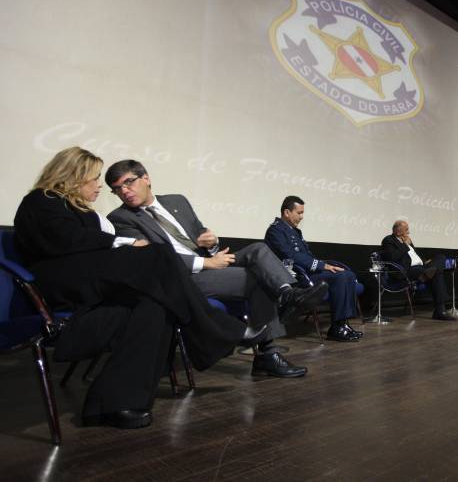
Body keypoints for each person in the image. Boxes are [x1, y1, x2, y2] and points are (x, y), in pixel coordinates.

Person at [13, 147, 258, 429]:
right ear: (73, 177)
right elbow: (66, 241)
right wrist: (127, 244)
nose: (99, 188)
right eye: (94, 180)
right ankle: (217, 330)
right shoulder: (41, 201)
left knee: (155, 305)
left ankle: (112, 403)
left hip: (93, 279)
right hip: (62, 281)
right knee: (159, 255)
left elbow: (91, 242)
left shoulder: (82, 210)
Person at [104, 160, 326, 378]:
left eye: (128, 182)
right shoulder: (121, 218)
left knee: (258, 249)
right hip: (180, 279)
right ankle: (268, 353)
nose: (124, 191)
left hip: (209, 264)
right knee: (255, 278)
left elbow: (201, 236)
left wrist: (212, 245)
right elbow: (151, 257)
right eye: (117, 189)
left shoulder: (177, 201)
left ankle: (288, 293)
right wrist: (206, 263)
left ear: (146, 178)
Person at [265, 196, 363, 341]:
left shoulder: (293, 231)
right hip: (296, 278)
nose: (302, 217)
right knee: (342, 277)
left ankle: (341, 324)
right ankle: (338, 327)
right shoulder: (275, 231)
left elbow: (307, 256)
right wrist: (323, 266)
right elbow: (291, 255)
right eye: (299, 213)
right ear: (287, 212)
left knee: (347, 274)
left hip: (308, 272)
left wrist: (324, 266)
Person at [381, 220, 455, 321]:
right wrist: (405, 245)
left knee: (440, 257)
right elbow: (392, 257)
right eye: (406, 229)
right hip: (408, 270)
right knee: (437, 274)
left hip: (422, 267)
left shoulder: (407, 240)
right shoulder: (388, 240)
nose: (409, 232)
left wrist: (425, 261)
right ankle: (440, 310)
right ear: (398, 231)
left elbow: (415, 255)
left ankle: (427, 273)